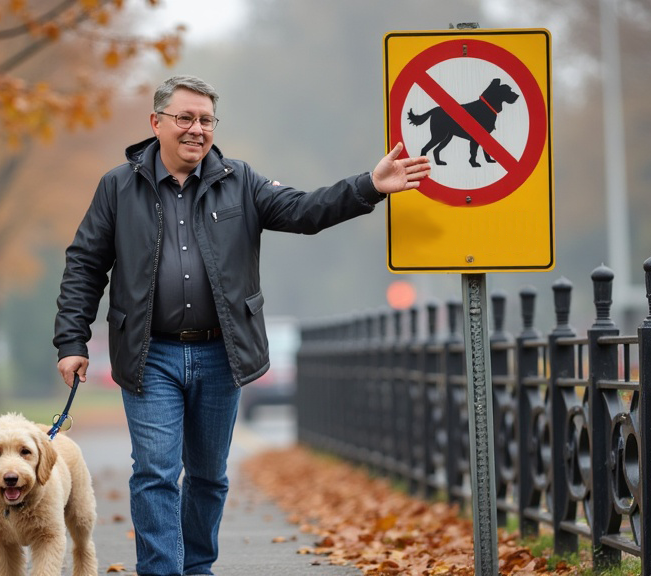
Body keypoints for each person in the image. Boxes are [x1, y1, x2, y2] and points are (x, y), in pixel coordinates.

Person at [53, 75, 430, 576]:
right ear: (156, 123)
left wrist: (368, 186)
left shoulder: (240, 180)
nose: (196, 129)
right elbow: (85, 263)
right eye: (185, 118)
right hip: (149, 353)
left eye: (206, 120)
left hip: (220, 352)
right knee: (155, 473)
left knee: (208, 476)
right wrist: (71, 340)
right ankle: (163, 571)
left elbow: (304, 210)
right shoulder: (118, 187)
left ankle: (197, 568)